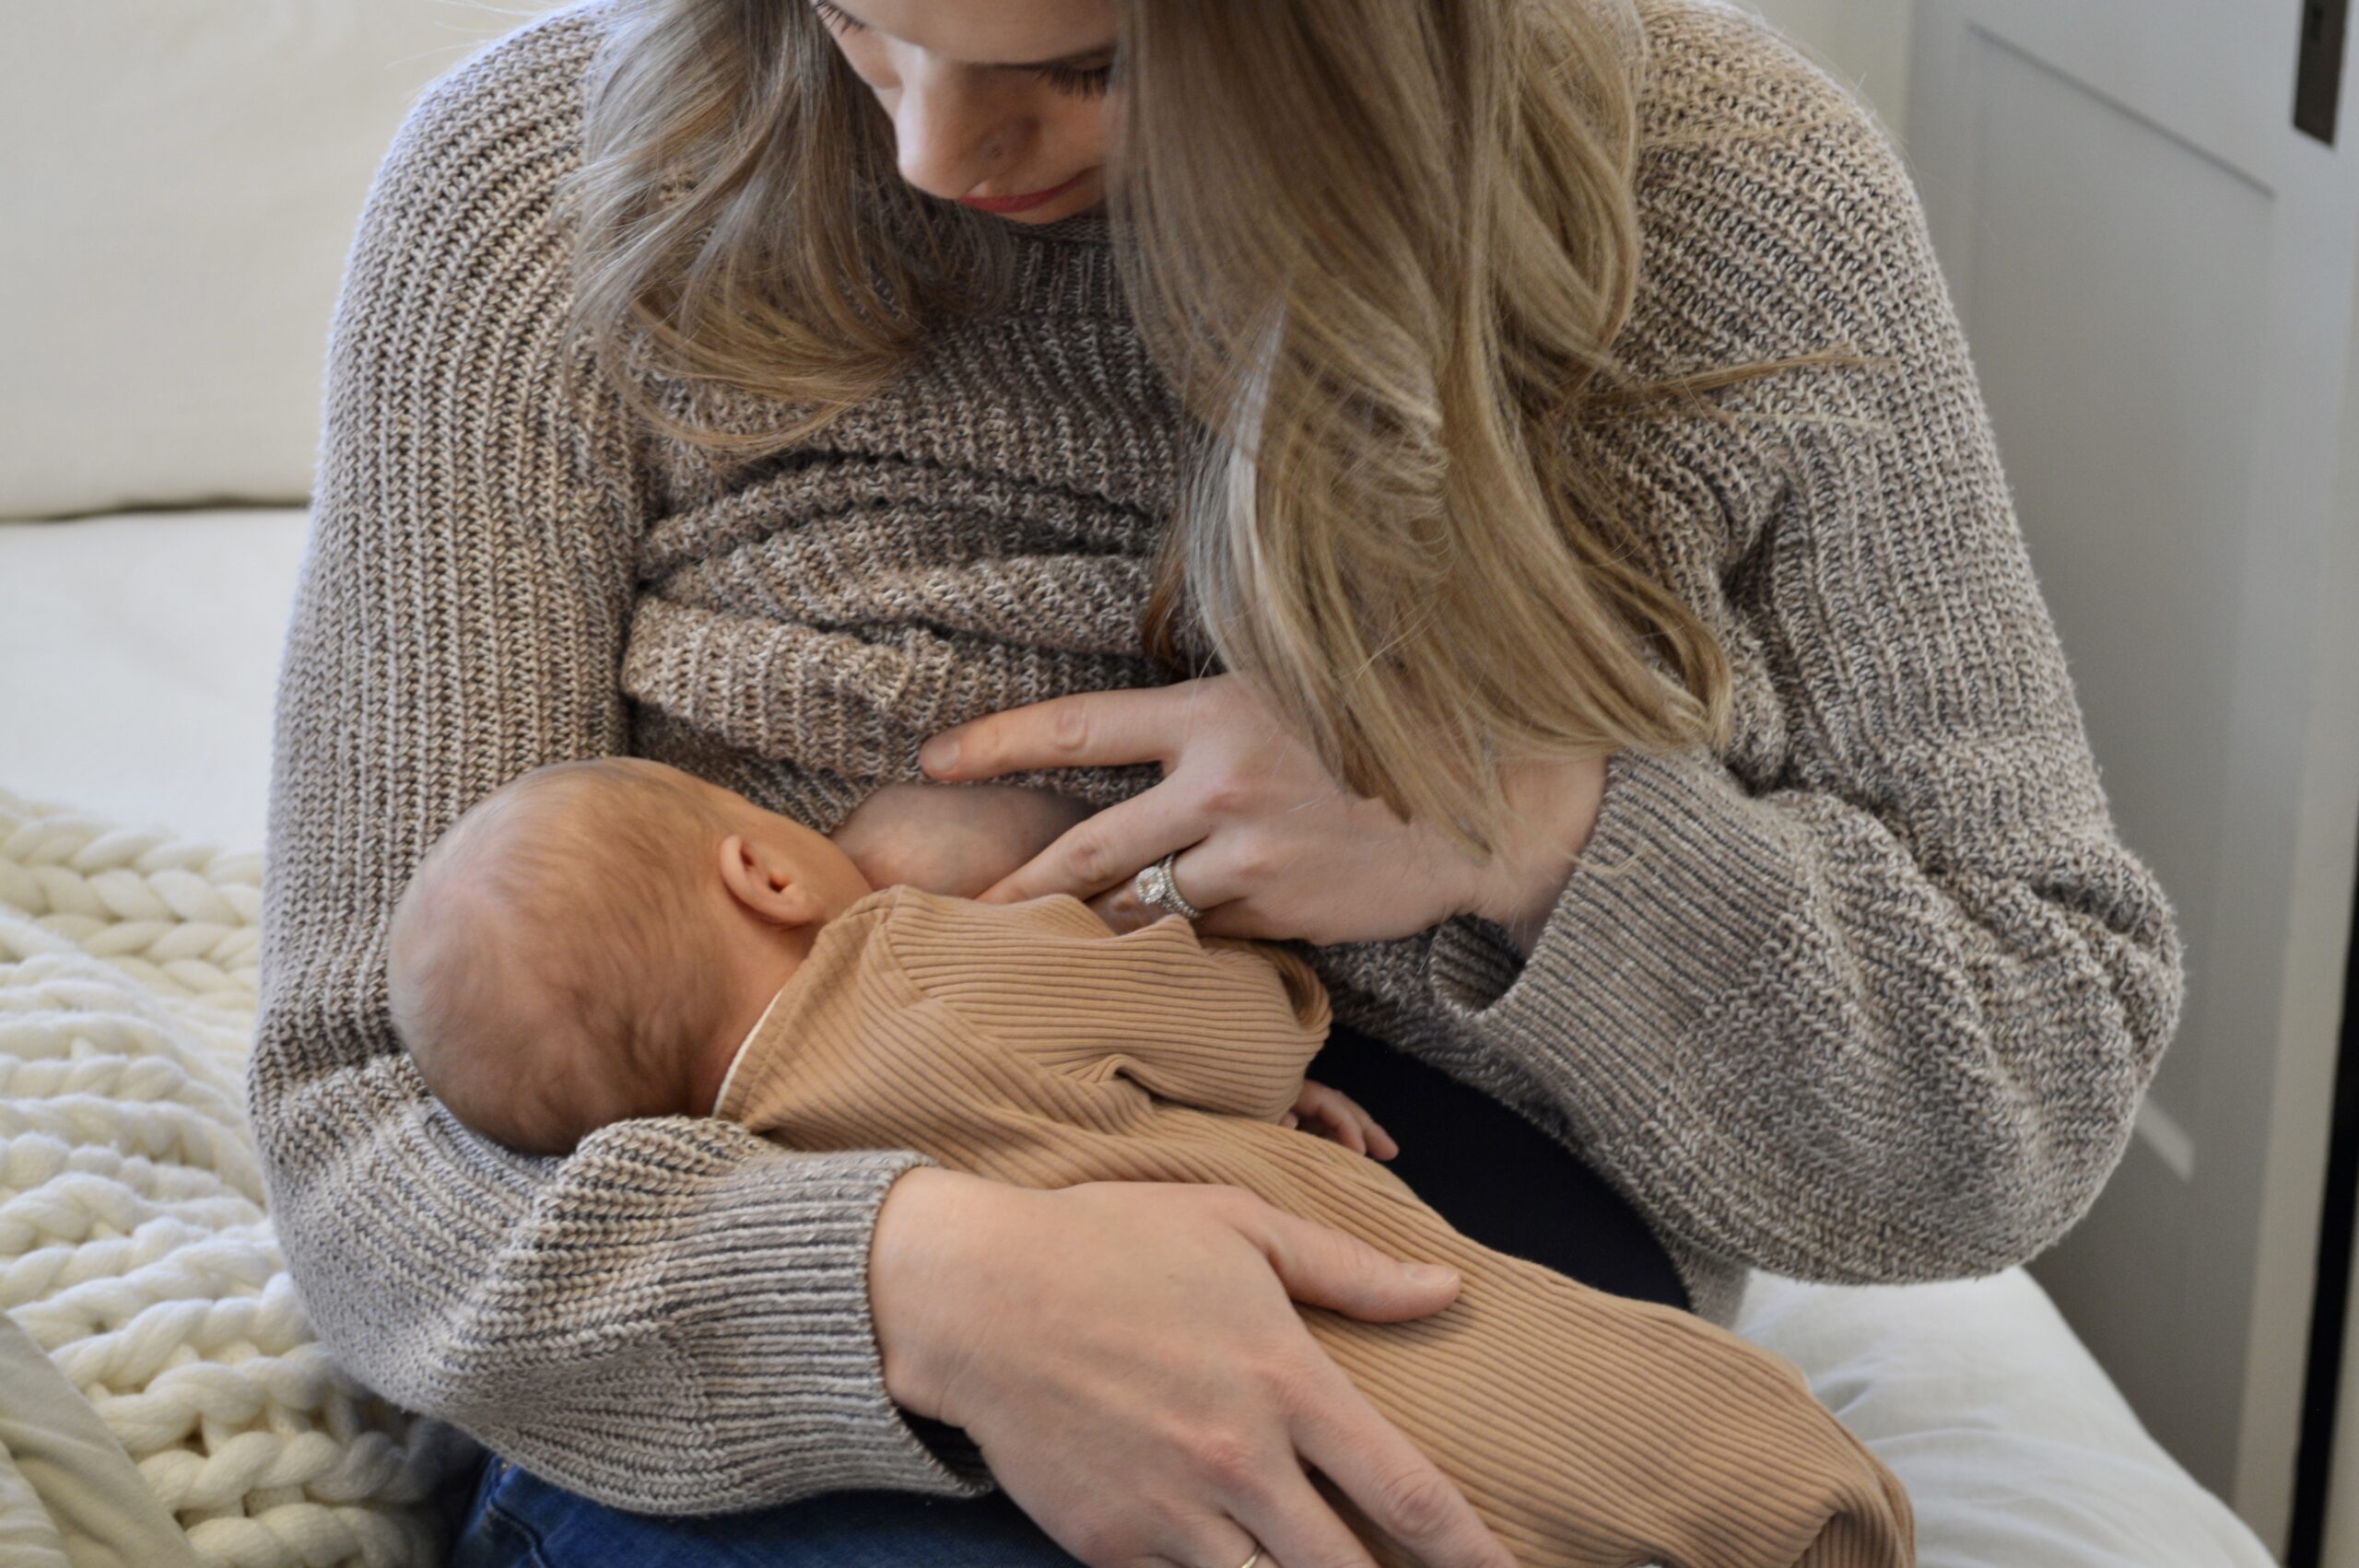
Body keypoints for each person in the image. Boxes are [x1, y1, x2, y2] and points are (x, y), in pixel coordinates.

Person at [252, 0, 2185, 1562]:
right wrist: (911, 1281)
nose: (932, 149)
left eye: (1082, 66)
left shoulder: (1725, 203)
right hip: (781, 1327)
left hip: (1464, 1316)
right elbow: (359, 1135)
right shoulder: (539, 195)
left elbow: (2018, 1086)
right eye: (856, 24)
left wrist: (1517, 827)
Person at [386, 755, 1914, 1568]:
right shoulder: (915, 965)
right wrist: (1260, 998)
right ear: (768, 866)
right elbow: (1205, 1027)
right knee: (1738, 1460)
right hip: (1398, 1348)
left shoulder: (741, 1154)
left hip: (1175, 1495)